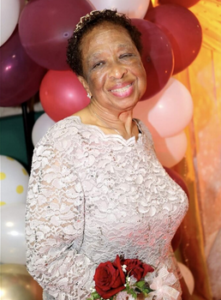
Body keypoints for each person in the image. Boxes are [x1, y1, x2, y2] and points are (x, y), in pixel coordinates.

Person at [25, 9, 189, 300]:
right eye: (99, 63)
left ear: (141, 62)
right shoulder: (62, 145)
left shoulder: (142, 133)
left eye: (125, 55)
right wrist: (131, 294)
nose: (117, 70)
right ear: (85, 83)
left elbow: (153, 237)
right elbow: (47, 261)